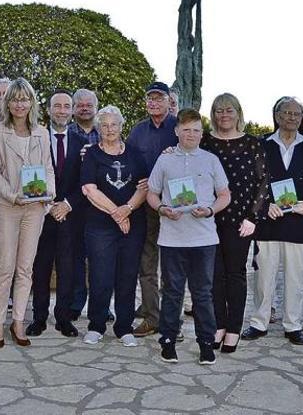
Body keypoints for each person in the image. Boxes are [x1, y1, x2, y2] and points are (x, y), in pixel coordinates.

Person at [242, 97, 303, 346]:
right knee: (263, 277)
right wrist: (264, 205)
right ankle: (259, 322)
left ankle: (293, 325)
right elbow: (251, 183)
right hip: (268, 222)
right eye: (287, 113)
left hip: (300, 224)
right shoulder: (261, 144)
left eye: (297, 113)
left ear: (302, 118)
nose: (292, 117)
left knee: (296, 277)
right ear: (277, 115)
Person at [147, 108, 230, 364]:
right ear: (177, 131)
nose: (190, 135)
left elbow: (225, 195)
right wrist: (162, 209)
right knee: (172, 292)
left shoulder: (211, 160)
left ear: (202, 133)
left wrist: (209, 210)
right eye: (186, 130)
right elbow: (152, 193)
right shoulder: (165, 160)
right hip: (172, 238)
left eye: (195, 130)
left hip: (204, 239)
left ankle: (206, 344)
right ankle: (168, 342)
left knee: (203, 293)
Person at [0, 77, 54, 348]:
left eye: (25, 99)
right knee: (5, 267)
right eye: (14, 99)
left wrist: (48, 194)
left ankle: (18, 322)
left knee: (26, 269)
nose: (19, 104)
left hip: (35, 208)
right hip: (7, 206)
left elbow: (48, 167)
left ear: (31, 102)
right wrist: (13, 195)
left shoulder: (42, 133)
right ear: (7, 103)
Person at [200, 93, 269, 353]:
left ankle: (233, 329)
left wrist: (253, 217)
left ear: (238, 113)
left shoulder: (252, 144)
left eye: (229, 110)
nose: (224, 115)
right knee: (214, 275)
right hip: (208, 219)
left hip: (241, 221)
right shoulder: (205, 142)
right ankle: (218, 325)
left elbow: (263, 183)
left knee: (235, 274)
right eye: (218, 111)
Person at [80, 106, 148, 346]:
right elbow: (89, 189)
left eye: (114, 124)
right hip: (100, 226)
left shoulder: (135, 154)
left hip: (133, 225)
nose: (109, 129)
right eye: (105, 125)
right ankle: (96, 325)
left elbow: (144, 187)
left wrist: (127, 209)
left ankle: (124, 327)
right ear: (99, 129)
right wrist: (117, 214)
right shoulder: (91, 155)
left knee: (127, 276)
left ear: (122, 126)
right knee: (100, 276)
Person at [29, 90, 86, 338]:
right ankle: (39, 318)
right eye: (57, 106)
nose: (62, 110)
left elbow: (86, 181)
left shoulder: (83, 144)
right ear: (48, 110)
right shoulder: (35, 139)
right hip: (42, 213)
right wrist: (48, 204)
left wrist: (67, 204)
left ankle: (63, 318)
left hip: (69, 216)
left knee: (67, 269)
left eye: (66, 106)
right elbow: (31, 173)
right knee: (40, 268)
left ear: (72, 110)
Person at [127, 81, 178, 337]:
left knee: (172, 267)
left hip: (175, 207)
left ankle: (171, 321)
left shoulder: (180, 128)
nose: (154, 103)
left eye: (160, 98)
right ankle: (151, 316)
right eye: (151, 98)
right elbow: (129, 164)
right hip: (145, 205)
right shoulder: (137, 132)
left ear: (170, 101)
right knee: (147, 264)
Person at [66, 88, 100, 321]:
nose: (85, 108)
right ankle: (76, 303)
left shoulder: (107, 132)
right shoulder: (66, 133)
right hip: (74, 204)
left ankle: (102, 305)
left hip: (101, 205)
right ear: (74, 109)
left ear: (96, 108)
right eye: (80, 105)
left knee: (101, 258)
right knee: (76, 257)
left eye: (89, 105)